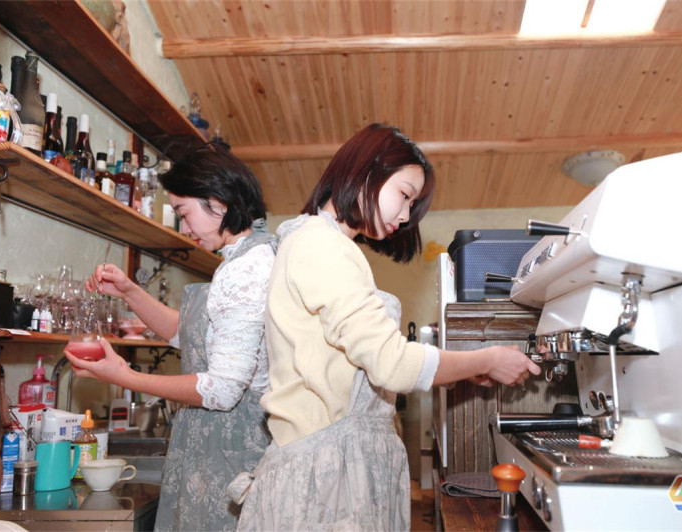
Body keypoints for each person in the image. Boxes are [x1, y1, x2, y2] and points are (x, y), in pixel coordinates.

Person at [231, 123, 540, 530]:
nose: (406, 214)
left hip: (333, 464)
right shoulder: (320, 244)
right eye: (405, 195)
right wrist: (488, 358)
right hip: (324, 477)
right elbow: (390, 364)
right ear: (366, 171)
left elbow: (356, 363)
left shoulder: (323, 244)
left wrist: (464, 368)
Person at [65, 144, 276, 531]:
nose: (184, 227)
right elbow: (189, 334)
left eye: (183, 212)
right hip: (212, 447)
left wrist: (125, 376)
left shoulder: (245, 270)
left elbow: (222, 389)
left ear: (218, 202)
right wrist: (130, 292)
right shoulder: (244, 257)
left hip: (228, 452)